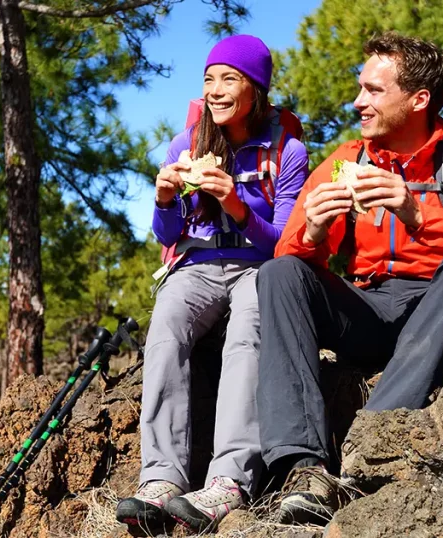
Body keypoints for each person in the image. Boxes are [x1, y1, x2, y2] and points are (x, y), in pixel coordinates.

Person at [256, 32, 443, 525]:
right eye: (360, 88)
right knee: (281, 272)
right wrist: (314, 230)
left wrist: (419, 213)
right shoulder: (347, 161)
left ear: (418, 99)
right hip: (372, 309)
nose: (358, 101)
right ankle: (304, 468)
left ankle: (372, 440)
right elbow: (290, 257)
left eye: (374, 90)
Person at [115, 34, 308, 533]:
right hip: (196, 266)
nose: (215, 90)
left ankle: (229, 480)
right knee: (164, 331)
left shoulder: (286, 151)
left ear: (256, 89)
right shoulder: (187, 144)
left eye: (229, 79)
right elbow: (168, 235)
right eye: (208, 79)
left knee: (247, 336)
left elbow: (283, 242)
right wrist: (162, 200)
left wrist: (236, 205)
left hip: (255, 266)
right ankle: (160, 478)